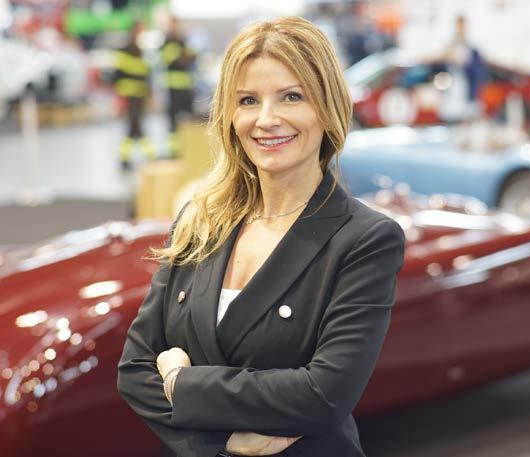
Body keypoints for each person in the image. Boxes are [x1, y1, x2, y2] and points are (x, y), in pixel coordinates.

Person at [118, 16, 405, 457]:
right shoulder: (200, 222)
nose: (266, 119)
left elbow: (322, 395)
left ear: (327, 107)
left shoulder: (364, 240)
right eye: (248, 100)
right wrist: (227, 442)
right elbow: (134, 371)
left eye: (292, 96)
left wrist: (179, 382)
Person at [113, 22, 156, 170]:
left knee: (135, 126)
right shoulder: (125, 51)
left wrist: (149, 94)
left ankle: (127, 158)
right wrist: (119, 99)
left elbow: (146, 76)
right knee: (134, 126)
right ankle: (147, 156)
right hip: (129, 95)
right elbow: (118, 76)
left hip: (140, 95)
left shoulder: (143, 52)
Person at [160, 16, 196, 158]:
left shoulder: (183, 40)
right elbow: (173, 60)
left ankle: (191, 147)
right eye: (172, 24)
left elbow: (192, 57)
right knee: (173, 121)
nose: (175, 27)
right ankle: (174, 151)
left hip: (186, 86)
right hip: (173, 88)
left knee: (190, 118)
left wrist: (184, 56)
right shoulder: (166, 41)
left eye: (176, 24)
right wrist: (183, 56)